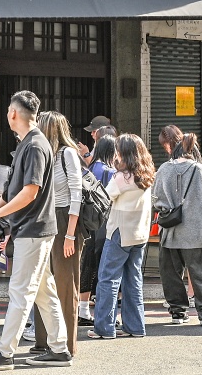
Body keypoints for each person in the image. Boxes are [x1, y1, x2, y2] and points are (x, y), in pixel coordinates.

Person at [0, 90, 71, 371]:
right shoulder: (30, 143)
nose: (7, 115)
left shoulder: (35, 145)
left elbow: (30, 192)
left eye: (7, 111)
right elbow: (11, 191)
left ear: (13, 113)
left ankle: (5, 353)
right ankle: (59, 349)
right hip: (33, 227)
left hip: (34, 228)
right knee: (42, 291)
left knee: (20, 292)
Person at [88, 133, 155, 339]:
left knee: (108, 279)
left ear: (124, 153)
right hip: (140, 233)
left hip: (119, 232)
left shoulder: (121, 177)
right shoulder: (147, 173)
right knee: (133, 280)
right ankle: (135, 327)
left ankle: (104, 328)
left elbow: (103, 198)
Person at [30, 111, 84, 357]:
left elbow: (77, 193)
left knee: (64, 284)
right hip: (45, 219)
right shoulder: (43, 154)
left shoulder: (68, 154)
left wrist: (70, 234)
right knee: (42, 283)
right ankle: (44, 341)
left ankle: (66, 346)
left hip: (64, 221)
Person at [154, 130, 202, 325]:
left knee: (171, 274)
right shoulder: (200, 170)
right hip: (196, 231)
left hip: (170, 231)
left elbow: (155, 199)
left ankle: (178, 312)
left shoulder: (163, 169)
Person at [78, 134, 117, 325]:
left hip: (88, 225)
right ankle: (105, 315)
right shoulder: (110, 171)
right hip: (105, 226)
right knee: (104, 271)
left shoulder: (89, 168)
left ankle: (82, 310)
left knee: (87, 266)